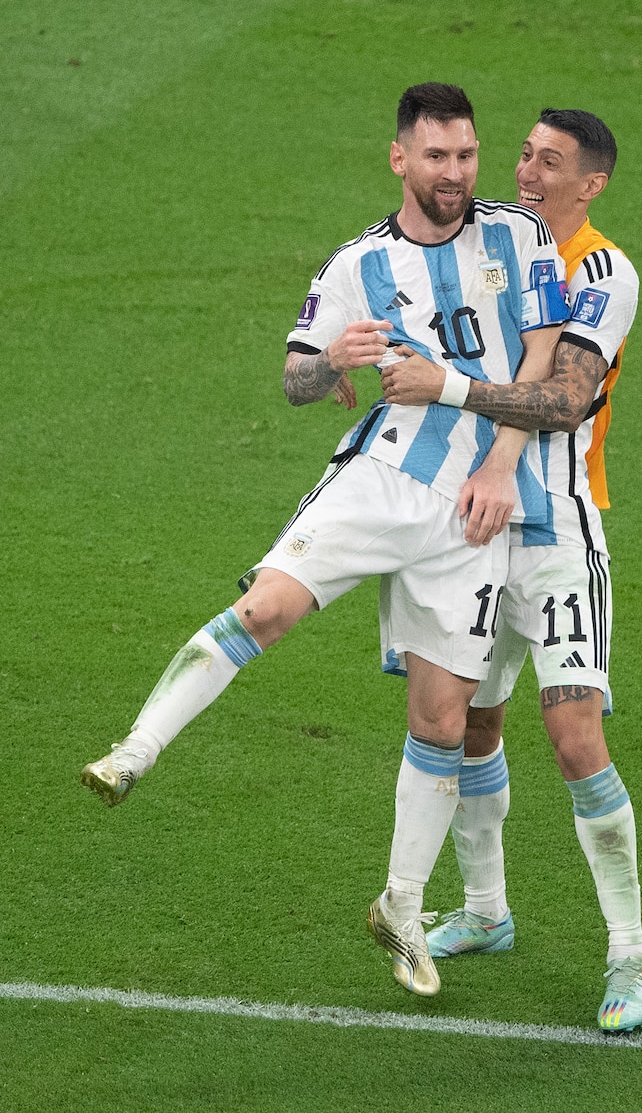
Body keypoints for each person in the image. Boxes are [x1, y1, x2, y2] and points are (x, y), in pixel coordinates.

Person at [80, 83, 570, 999]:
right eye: (437, 157)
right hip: (385, 475)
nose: (456, 173)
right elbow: (297, 380)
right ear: (400, 159)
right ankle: (134, 751)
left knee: (442, 719)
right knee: (265, 605)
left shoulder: (520, 235)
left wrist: (502, 465)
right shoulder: (357, 264)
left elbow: (541, 360)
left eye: (466, 155)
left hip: (478, 506)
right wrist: (330, 363)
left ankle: (401, 903)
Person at [380, 109, 642, 1031]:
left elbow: (563, 397)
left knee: (575, 739)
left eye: (552, 164)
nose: (528, 174)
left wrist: (448, 387)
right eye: (525, 156)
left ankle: (631, 955)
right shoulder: (496, 239)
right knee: (469, 721)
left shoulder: (603, 271)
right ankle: (487, 908)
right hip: (474, 525)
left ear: (593, 184)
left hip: (558, 534)